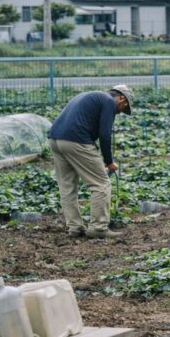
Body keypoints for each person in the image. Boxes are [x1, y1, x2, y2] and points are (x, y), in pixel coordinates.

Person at [48, 84, 133, 239]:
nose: (121, 111)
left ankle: (75, 227)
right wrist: (109, 162)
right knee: (101, 184)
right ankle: (98, 228)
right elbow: (105, 134)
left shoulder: (91, 96)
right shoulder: (108, 101)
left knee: (67, 186)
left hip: (55, 139)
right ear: (121, 97)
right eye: (124, 106)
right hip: (76, 140)